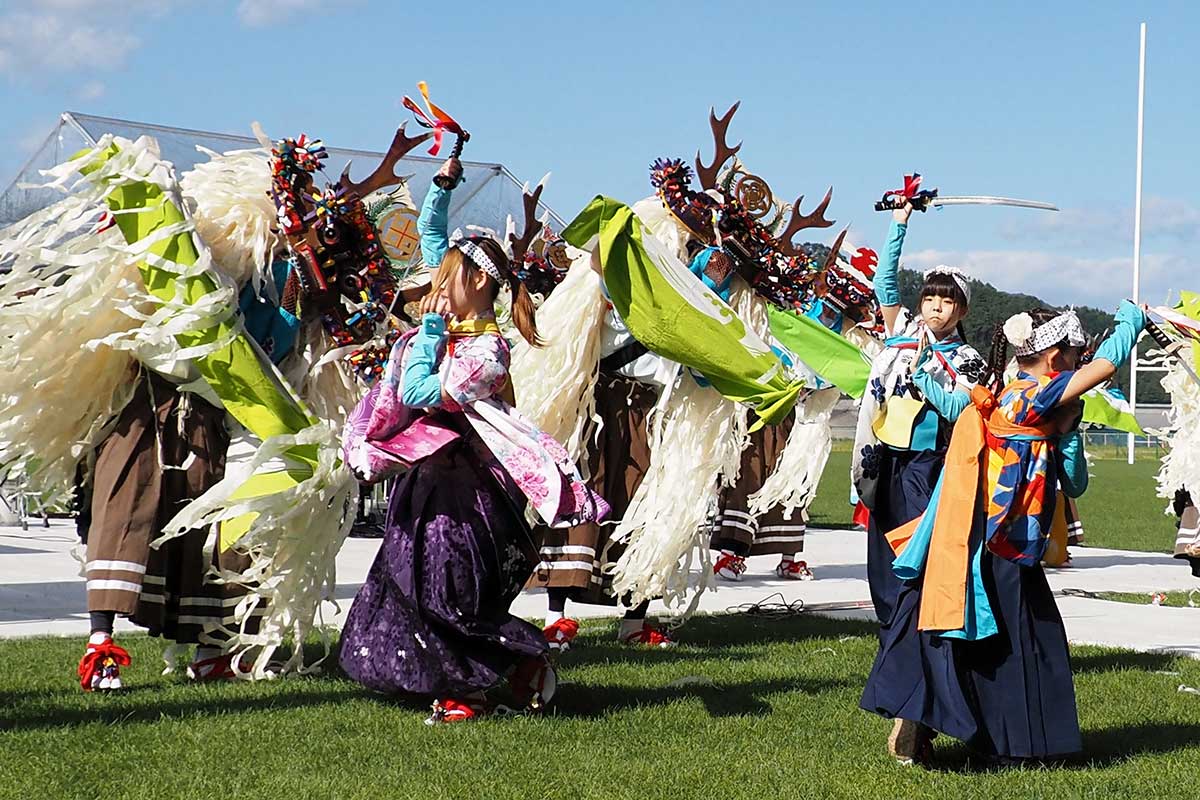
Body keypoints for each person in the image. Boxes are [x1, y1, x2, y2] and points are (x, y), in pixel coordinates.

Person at [338, 157, 607, 722]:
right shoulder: (458, 315)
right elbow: (432, 234)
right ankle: (461, 681)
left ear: (479, 281)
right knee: (404, 579)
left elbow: (420, 395)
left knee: (449, 590)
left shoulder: (486, 353)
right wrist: (443, 180)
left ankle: (497, 676)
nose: (433, 285)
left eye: (446, 277)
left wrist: (431, 331)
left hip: (471, 493)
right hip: (425, 483)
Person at [860, 302, 1146, 765]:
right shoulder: (1033, 394)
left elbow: (1073, 482)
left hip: (988, 537)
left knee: (978, 637)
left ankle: (927, 714)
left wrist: (1068, 433)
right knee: (1015, 645)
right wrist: (1132, 321)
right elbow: (1107, 365)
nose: (1077, 366)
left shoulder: (1008, 394)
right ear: (1055, 357)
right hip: (1004, 541)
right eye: (1074, 357)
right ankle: (1013, 745)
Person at [852, 203, 986, 624]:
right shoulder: (904, 332)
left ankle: (916, 617)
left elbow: (957, 408)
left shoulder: (967, 360)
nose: (935, 308)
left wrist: (926, 376)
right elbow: (884, 282)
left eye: (947, 302)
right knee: (880, 541)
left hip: (925, 463)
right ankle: (890, 620)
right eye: (929, 298)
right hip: (884, 455)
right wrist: (899, 223)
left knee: (913, 542)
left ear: (961, 310)